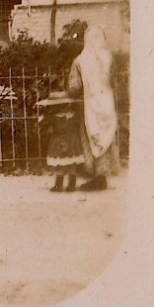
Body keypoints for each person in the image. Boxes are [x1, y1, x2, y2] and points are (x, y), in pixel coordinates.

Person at [47, 24, 121, 192]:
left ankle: (95, 178)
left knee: (90, 137)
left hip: (91, 105)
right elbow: (114, 82)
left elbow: (74, 88)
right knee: (105, 137)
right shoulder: (109, 58)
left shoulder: (81, 60)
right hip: (106, 103)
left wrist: (60, 94)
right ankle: (102, 177)